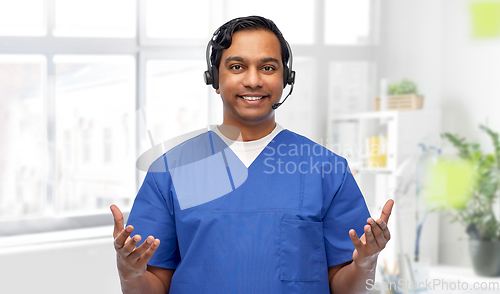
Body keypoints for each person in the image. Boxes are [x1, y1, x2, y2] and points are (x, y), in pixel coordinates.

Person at [111, 15, 394, 294]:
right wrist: (130, 273)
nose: (253, 80)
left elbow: (347, 289)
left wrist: (366, 262)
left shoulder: (327, 170)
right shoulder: (170, 171)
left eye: (268, 68)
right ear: (215, 79)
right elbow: (152, 287)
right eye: (237, 66)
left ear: (286, 78)